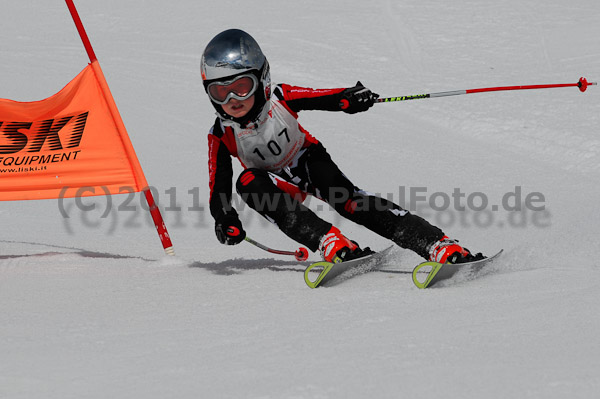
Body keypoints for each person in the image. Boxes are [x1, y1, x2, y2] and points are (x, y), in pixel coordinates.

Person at [201, 28, 484, 264]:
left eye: (241, 87)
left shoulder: (280, 97)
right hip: (276, 186)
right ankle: (330, 241)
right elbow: (219, 189)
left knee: (349, 200)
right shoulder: (220, 134)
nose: (232, 100)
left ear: (262, 79)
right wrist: (225, 219)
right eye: (220, 92)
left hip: (307, 160)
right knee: (248, 181)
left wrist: (350, 99)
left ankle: (437, 245)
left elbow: (324, 97)